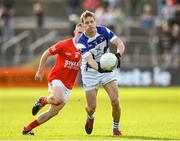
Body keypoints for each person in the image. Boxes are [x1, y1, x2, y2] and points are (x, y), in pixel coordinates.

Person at [22, 23, 84, 135]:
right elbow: (46, 53)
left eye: (83, 33)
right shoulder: (64, 44)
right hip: (57, 78)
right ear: (74, 32)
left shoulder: (86, 50)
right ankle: (43, 100)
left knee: (54, 111)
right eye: (79, 32)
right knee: (58, 99)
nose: (81, 35)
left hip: (68, 84)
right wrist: (40, 71)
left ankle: (27, 128)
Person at [76, 10, 125, 136]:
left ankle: (116, 128)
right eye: (87, 23)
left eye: (92, 21)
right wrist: (100, 68)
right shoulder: (81, 41)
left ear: (95, 22)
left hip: (106, 70)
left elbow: (119, 43)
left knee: (115, 101)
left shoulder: (103, 30)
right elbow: (90, 61)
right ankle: (90, 117)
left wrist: (118, 55)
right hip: (90, 73)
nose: (90, 24)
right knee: (91, 108)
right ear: (82, 25)